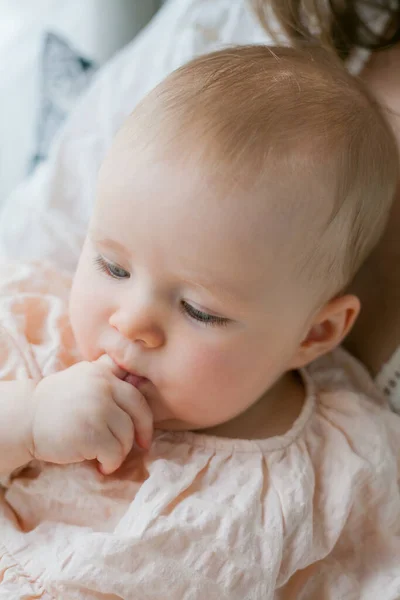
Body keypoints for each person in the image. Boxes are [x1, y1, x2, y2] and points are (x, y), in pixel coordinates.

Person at [0, 45, 399, 598]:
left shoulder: (336, 475)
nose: (133, 320)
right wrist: (26, 422)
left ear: (315, 333)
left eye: (199, 310)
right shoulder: (36, 340)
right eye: (112, 266)